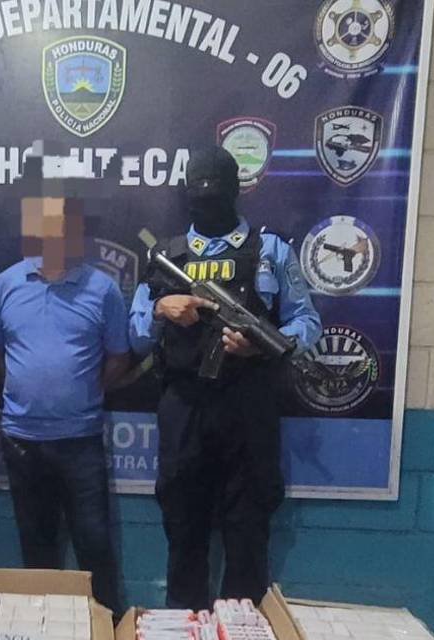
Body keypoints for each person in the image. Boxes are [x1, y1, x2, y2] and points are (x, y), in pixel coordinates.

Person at [129, 146, 322, 610]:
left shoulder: (271, 251)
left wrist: (263, 343)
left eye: (215, 192)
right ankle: (183, 632)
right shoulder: (165, 257)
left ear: (237, 190)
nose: (207, 201)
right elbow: (134, 337)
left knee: (248, 529)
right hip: (184, 406)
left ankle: (244, 637)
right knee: (183, 526)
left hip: (248, 404)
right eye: (199, 194)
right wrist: (161, 308)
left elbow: (307, 322)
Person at [0, 188, 131, 612]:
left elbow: (119, 358)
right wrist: (25, 388)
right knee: (36, 548)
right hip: (21, 441)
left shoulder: (102, 289)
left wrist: (81, 392)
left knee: (94, 544)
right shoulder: (3, 286)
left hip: (80, 441)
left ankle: (106, 631)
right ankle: (43, 630)